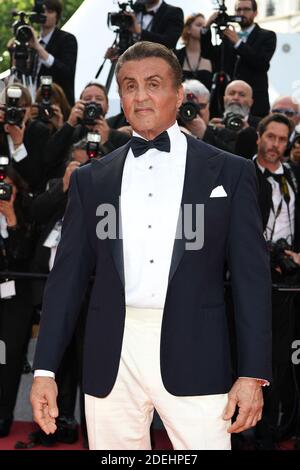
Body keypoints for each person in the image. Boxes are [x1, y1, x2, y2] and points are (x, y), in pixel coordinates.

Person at [30, 41, 272, 451]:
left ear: (179, 95)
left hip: (198, 350)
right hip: (111, 354)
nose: (140, 95)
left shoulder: (230, 172)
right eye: (128, 85)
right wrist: (45, 371)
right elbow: (66, 279)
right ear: (120, 96)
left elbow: (251, 279)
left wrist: (252, 374)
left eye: (153, 84)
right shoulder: (92, 180)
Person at [253, 113, 299, 448]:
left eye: (282, 140)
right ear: (259, 137)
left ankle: (270, 427)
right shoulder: (241, 172)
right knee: (245, 353)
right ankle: (240, 430)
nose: (276, 146)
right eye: (271, 137)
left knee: (280, 358)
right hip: (247, 277)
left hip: (288, 282)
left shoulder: (294, 177)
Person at [204, 0, 277, 117]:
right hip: (228, 103)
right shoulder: (229, 36)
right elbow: (208, 54)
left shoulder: (267, 36)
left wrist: (238, 43)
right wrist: (206, 27)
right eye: (238, 10)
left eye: (246, 9)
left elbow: (262, 63)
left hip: (255, 104)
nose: (242, 13)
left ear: (255, 13)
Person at [29, 0, 78, 105]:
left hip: (59, 105)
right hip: (35, 104)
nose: (45, 14)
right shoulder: (33, 42)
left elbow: (66, 72)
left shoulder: (67, 39)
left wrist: (39, 49)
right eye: (42, 11)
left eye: (50, 11)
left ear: (57, 16)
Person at [175, 14, 213, 91]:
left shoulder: (212, 55)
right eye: (199, 25)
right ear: (188, 29)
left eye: (205, 26)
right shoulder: (176, 55)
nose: (203, 28)